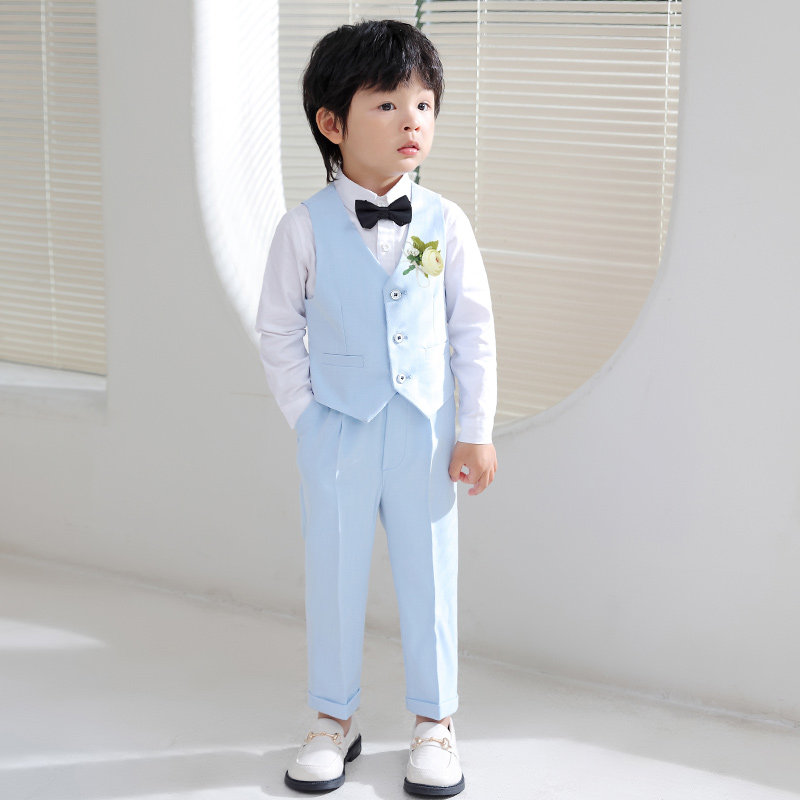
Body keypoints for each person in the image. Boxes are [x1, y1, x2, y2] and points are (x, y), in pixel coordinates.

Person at [255, 18, 497, 797]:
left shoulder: (446, 223)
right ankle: (333, 719)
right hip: (338, 431)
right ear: (333, 124)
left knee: (431, 574)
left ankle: (436, 723)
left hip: (425, 432)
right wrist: (307, 415)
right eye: (388, 105)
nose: (411, 121)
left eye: (423, 104)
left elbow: (473, 330)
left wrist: (475, 430)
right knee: (333, 572)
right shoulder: (303, 227)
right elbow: (277, 329)